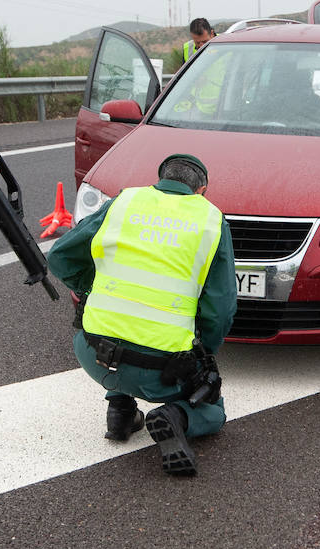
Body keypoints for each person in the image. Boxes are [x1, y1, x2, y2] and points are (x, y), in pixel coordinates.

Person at [48, 154, 236, 476]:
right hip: (160, 372)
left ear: (160, 178)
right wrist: (205, 354)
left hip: (92, 354)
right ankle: (175, 416)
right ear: (201, 190)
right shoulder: (210, 220)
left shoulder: (125, 201)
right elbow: (220, 309)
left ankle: (120, 412)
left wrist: (92, 289)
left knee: (124, 322)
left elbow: (60, 256)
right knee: (213, 410)